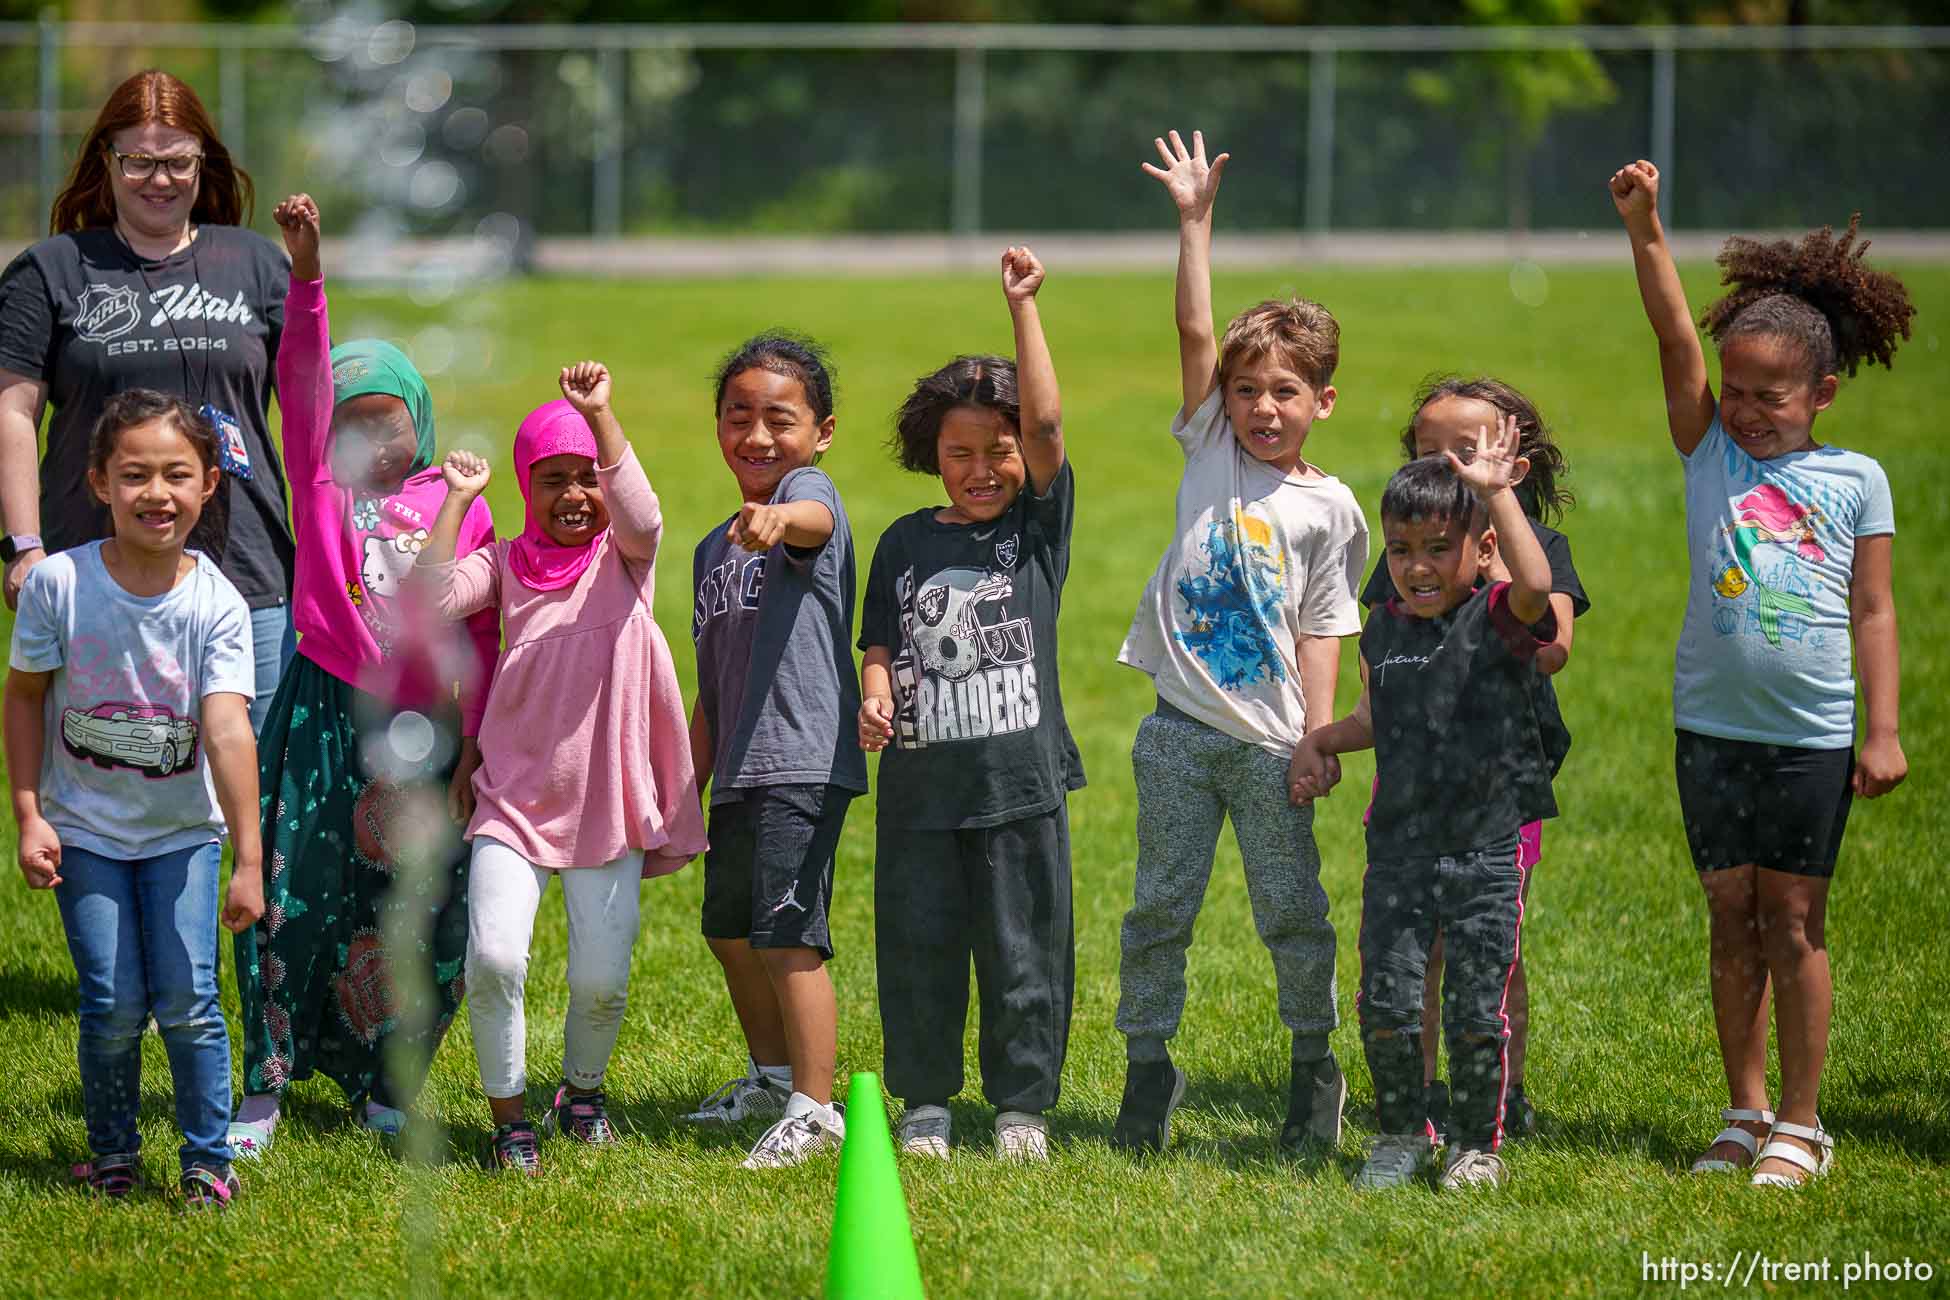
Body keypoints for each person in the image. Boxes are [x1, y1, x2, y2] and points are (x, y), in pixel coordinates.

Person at [1610, 160, 1910, 1188]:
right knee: (1728, 913)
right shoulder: (1710, 457)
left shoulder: (1855, 480)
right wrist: (1648, 228)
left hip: (1813, 737)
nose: (1744, 411)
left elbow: (1873, 609)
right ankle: (1741, 1110)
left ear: (1822, 393)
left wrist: (1883, 729)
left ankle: (1802, 1119)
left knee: (1792, 921)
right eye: (1733, 392)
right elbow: (1672, 336)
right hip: (1711, 727)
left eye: (1770, 397)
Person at [226, 195, 499, 1158]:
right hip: (319, 713)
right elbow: (299, 387)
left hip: (420, 729)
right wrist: (307, 279)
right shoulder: (324, 489)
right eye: (353, 425)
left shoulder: (458, 502)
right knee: (292, 896)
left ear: (421, 423)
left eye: (391, 423)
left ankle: (390, 1082)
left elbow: (482, 625)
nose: (374, 442)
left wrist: (480, 741)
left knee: (414, 906)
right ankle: (266, 1082)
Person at [1112, 130, 1366, 1154]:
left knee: (1292, 915)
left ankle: (1314, 1069)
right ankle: (1146, 1070)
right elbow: (1192, 323)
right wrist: (1194, 221)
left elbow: (1324, 627)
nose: (1265, 407)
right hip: (1176, 732)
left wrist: (1314, 738)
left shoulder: (1333, 507)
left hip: (1271, 751)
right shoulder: (1209, 440)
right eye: (1249, 389)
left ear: (1323, 402)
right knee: (1156, 911)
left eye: (1287, 393)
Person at [418, 362, 707, 1175]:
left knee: (602, 981)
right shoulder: (507, 563)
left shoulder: (626, 559)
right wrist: (457, 503)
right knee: (497, 959)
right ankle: (509, 1120)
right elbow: (430, 595)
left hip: (607, 801)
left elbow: (645, 515)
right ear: (525, 485)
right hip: (512, 799)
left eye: (588, 479)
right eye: (553, 480)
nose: (576, 495)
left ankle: (581, 1095)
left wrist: (602, 415)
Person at [1292, 421, 1569, 1191]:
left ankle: (1476, 1144)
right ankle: (1400, 1135)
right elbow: (1376, 721)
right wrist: (1320, 741)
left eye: (1437, 548)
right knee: (1386, 997)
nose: (1417, 567)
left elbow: (1540, 587)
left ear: (1479, 552)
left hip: (1485, 846)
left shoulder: (1499, 618)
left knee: (1478, 1005)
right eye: (1403, 549)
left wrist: (1496, 495)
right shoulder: (1384, 630)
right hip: (1400, 850)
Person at [6, 389, 264, 1206]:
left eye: (176, 475)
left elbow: (227, 734)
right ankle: (113, 1152)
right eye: (135, 475)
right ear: (98, 483)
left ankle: (206, 1160)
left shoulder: (217, 603)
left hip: (185, 833)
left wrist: (249, 860)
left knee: (190, 1001)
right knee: (111, 1003)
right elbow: (22, 697)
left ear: (209, 485)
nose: (157, 493)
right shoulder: (58, 587)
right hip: (84, 832)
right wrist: (28, 811)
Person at [858, 247, 1083, 1162]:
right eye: (961, 453)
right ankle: (926, 1106)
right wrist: (875, 695)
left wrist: (1022, 308)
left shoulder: (1035, 529)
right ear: (932, 455)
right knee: (919, 953)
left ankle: (1022, 1109)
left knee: (1026, 954)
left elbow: (1050, 422)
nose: (983, 468)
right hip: (919, 796)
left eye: (999, 450)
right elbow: (878, 640)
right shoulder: (905, 541)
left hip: (1018, 785)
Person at [0, 69, 296, 730]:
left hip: (248, 571)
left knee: (265, 797)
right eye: (138, 161)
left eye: (176, 162)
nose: (158, 179)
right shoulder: (51, 269)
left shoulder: (256, 264)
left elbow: (311, 412)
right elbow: (11, 412)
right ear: (105, 161)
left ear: (203, 163)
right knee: (106, 780)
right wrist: (23, 546)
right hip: (95, 573)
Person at [1357, 377, 1586, 1141]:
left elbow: (1550, 647)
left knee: (1493, 953)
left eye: (1470, 454)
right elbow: (1381, 683)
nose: (1453, 470)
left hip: (1501, 791)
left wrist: (1490, 566)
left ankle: (1503, 1093)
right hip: (1416, 798)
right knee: (1415, 956)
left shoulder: (1528, 556)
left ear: (1509, 464)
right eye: (1433, 454)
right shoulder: (1406, 564)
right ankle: (1418, 1095)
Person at [684, 332, 867, 1168]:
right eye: (739, 415)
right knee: (730, 931)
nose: (757, 435)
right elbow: (713, 689)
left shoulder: (805, 495)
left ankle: (816, 1107)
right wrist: (684, 786)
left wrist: (777, 514)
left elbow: (813, 520)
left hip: (800, 757)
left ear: (821, 431)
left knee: (789, 933)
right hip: (738, 771)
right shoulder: (707, 552)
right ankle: (769, 1076)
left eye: (780, 419)